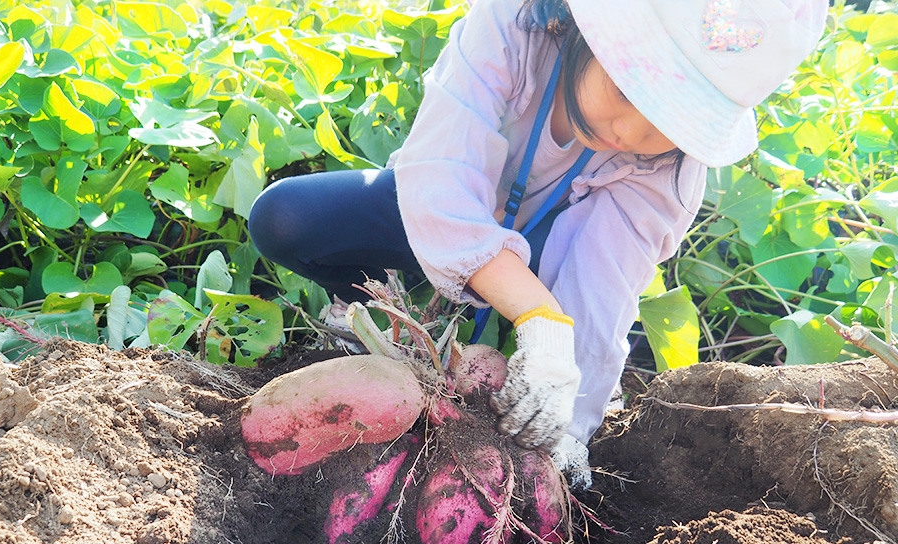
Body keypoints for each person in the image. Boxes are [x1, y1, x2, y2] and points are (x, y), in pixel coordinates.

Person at [248, 0, 828, 490]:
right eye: (626, 89)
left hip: (551, 252)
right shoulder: (513, 20)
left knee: (550, 399)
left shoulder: (669, 170)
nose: (630, 132)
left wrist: (568, 429)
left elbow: (601, 290)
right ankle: (381, 313)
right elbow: (439, 180)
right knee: (286, 216)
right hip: (440, 211)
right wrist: (535, 312)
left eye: (667, 122)